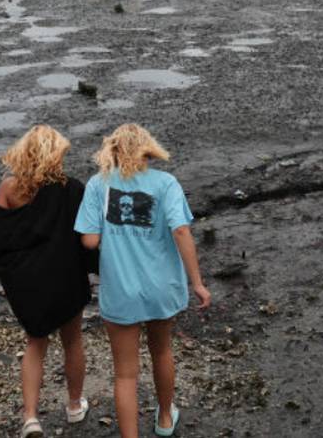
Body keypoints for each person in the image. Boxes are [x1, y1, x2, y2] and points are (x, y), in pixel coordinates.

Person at [75, 124, 211, 438]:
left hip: (121, 290)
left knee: (125, 374)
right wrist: (198, 283)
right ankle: (165, 418)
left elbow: (90, 242)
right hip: (162, 287)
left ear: (112, 150)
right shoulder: (166, 183)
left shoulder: (98, 185)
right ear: (149, 150)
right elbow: (181, 231)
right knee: (162, 351)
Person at [0, 125, 92, 437]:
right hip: (66, 276)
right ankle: (75, 405)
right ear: (56, 155)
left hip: (28, 282)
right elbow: (86, 235)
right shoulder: (73, 188)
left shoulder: (9, 188)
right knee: (73, 340)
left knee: (36, 344)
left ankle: (31, 418)